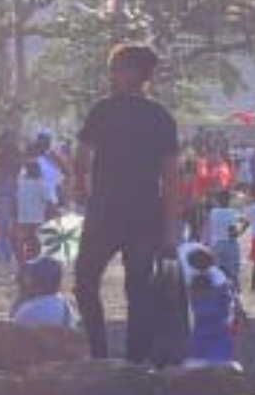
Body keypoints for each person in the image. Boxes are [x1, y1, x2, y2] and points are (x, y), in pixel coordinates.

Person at [70, 42, 183, 361]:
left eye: (115, 69)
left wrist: (81, 187)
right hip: (146, 212)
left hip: (105, 210)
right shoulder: (161, 117)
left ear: (131, 72)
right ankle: (136, 361)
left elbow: (81, 157)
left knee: (85, 281)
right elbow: (171, 179)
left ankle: (98, 351)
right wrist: (170, 230)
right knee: (139, 290)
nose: (111, 75)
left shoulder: (103, 110)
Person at [181, 245, 242, 367]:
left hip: (196, 348)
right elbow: (234, 311)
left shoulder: (189, 286)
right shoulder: (222, 281)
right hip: (221, 347)